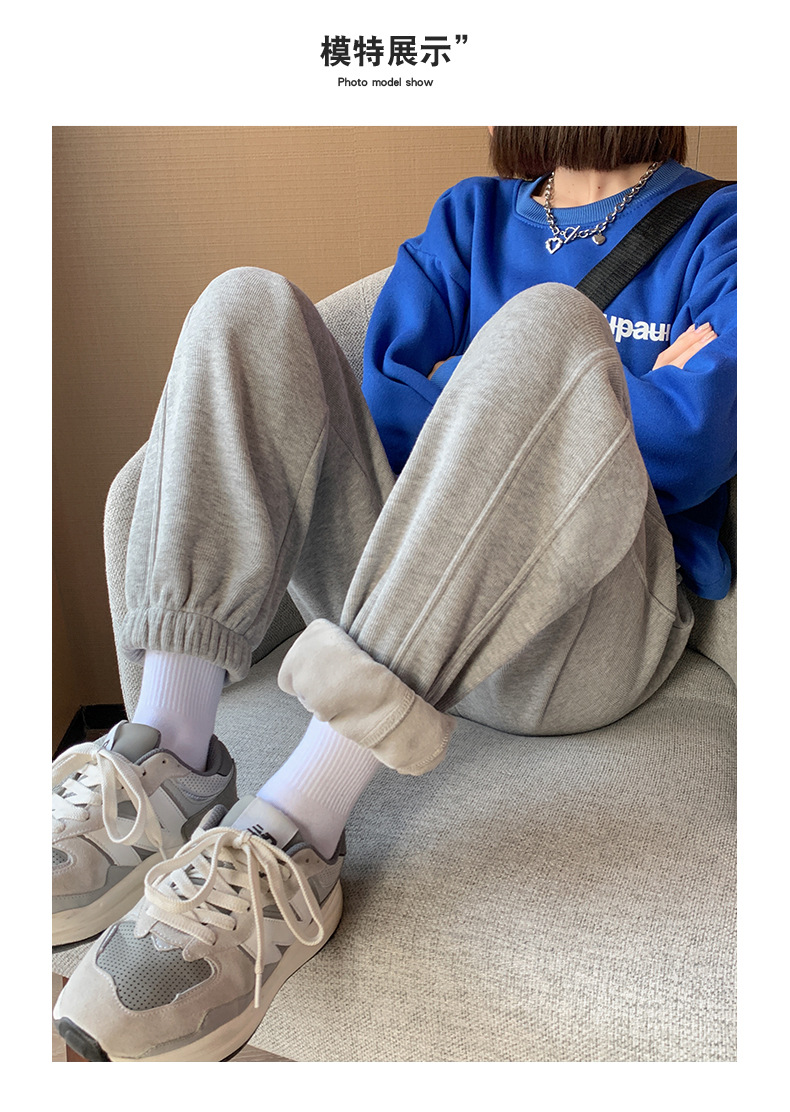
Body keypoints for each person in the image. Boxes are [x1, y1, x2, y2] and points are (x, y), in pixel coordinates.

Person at [52, 126, 737, 1062]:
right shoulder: (471, 217)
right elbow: (383, 404)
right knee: (244, 302)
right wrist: (591, 396)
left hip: (587, 627)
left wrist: (518, 382)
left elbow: (700, 442)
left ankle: (294, 833)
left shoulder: (725, 229)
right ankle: (169, 756)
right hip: (399, 596)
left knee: (547, 328)